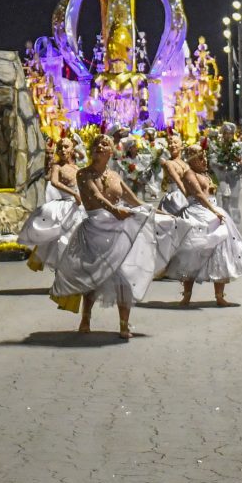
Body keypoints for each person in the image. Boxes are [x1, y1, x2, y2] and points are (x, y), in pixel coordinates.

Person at [51, 135, 170, 339]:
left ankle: (124, 324)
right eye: (96, 144)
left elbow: (133, 200)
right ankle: (86, 318)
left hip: (117, 230)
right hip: (95, 229)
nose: (99, 146)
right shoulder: (83, 174)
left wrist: (156, 212)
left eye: (104, 144)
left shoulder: (115, 175)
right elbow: (96, 196)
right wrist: (115, 210)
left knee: (123, 275)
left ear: (111, 151)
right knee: (94, 276)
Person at [165, 144, 242, 307]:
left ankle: (219, 296)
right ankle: (187, 296)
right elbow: (197, 194)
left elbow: (210, 192)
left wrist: (215, 209)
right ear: (192, 160)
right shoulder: (189, 174)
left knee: (220, 252)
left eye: (204, 157)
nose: (204, 161)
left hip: (211, 209)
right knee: (192, 253)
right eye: (200, 158)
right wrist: (214, 210)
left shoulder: (205, 173)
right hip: (198, 212)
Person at [20, 136, 85, 273]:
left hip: (79, 205)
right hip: (66, 206)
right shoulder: (57, 166)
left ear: (72, 149)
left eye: (66, 146)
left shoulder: (75, 167)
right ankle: (60, 274)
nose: (62, 149)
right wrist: (73, 194)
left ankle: (72, 274)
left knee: (77, 238)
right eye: (60, 147)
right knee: (61, 239)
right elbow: (55, 182)